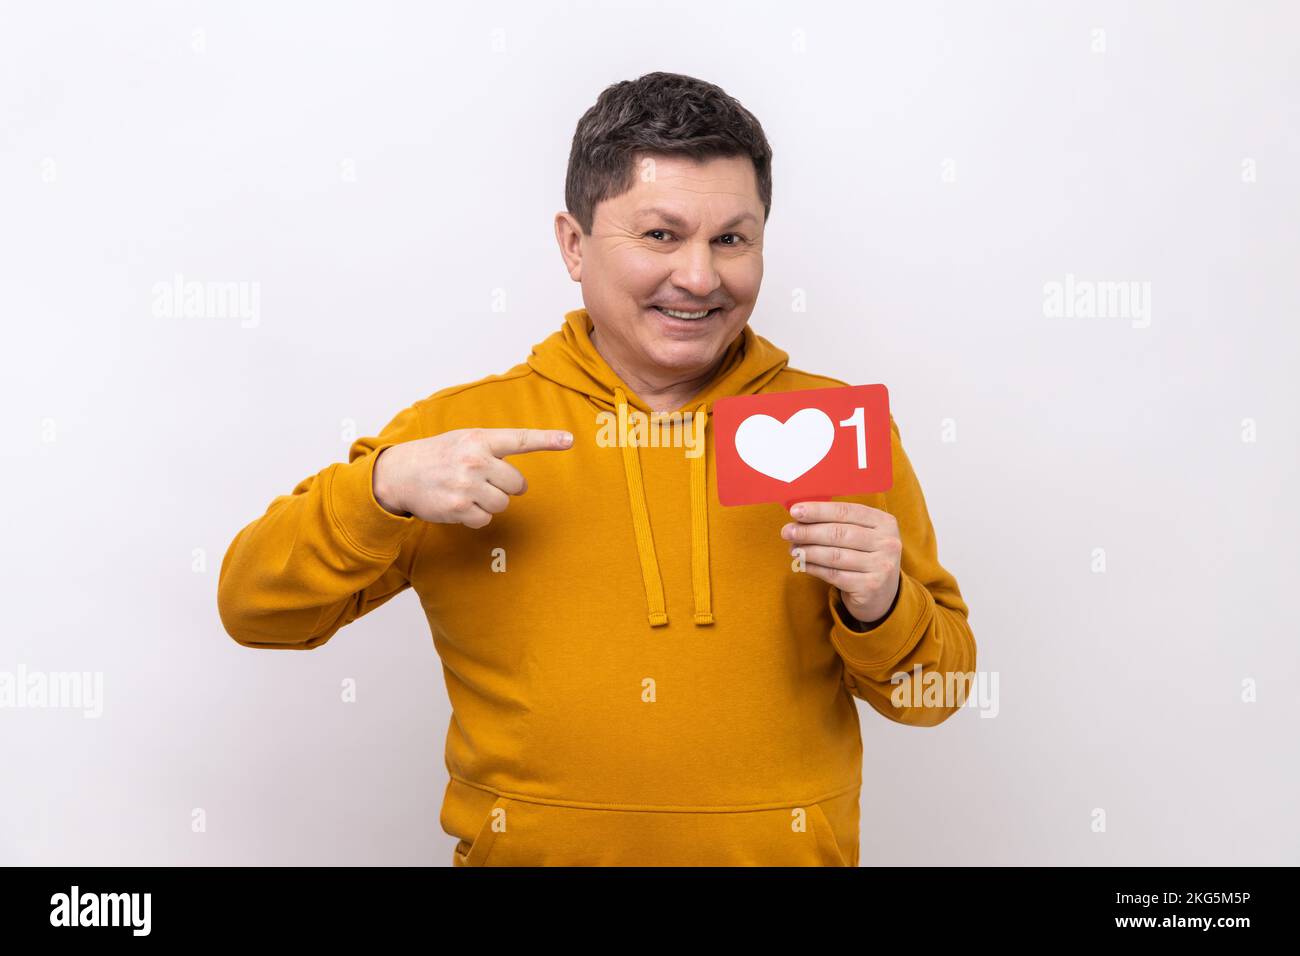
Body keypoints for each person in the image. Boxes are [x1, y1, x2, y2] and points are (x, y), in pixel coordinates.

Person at [217, 71, 976, 867]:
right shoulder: (460, 439)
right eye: (660, 235)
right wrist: (378, 491)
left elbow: (941, 693)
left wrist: (881, 603)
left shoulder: (833, 432)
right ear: (574, 245)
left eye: (732, 238)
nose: (699, 276)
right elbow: (254, 610)